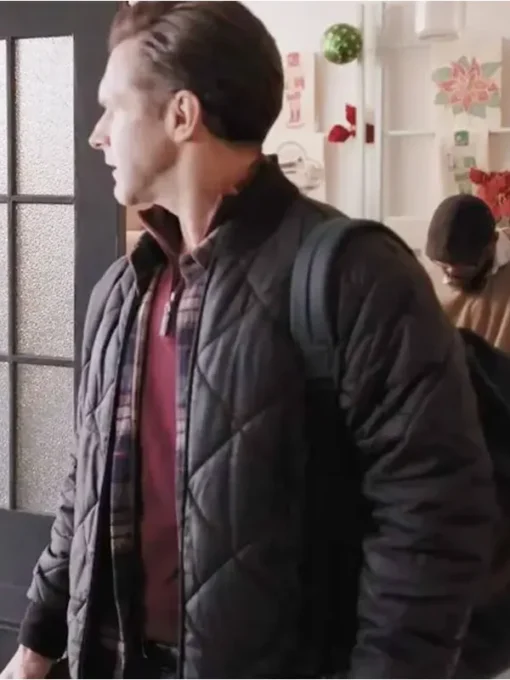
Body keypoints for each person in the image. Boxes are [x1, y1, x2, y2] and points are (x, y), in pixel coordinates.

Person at [1, 3, 495, 679]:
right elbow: (82, 485)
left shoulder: (352, 273)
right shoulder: (123, 289)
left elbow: (432, 520)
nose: (97, 135)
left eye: (112, 108)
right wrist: (37, 642)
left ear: (182, 115)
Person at [426, 193, 510, 353]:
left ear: (492, 245)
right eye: (443, 266)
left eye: (464, 267)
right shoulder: (431, 282)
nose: (450, 272)